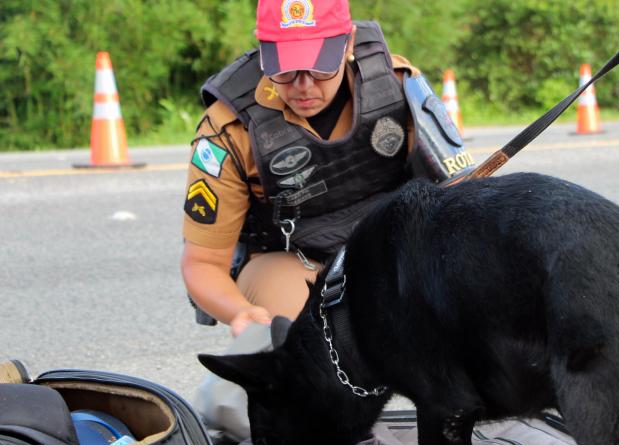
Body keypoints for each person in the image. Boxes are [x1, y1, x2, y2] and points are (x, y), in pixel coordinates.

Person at [181, 0, 473, 339]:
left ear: (347, 42)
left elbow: (461, 200)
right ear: (263, 49)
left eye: (319, 67)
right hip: (290, 261)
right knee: (303, 346)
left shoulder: (396, 86)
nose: (303, 85)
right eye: (285, 68)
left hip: (389, 248)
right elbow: (202, 263)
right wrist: (240, 313)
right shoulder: (227, 128)